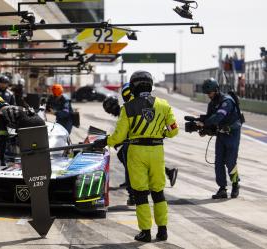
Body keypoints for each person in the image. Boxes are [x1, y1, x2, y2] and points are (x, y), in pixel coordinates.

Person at [94, 71, 179, 242]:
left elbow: (119, 136)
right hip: (157, 151)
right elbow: (174, 130)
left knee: (140, 193)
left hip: (137, 151)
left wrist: (105, 141)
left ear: (133, 87)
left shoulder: (128, 107)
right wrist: (160, 133)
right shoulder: (164, 105)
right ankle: (162, 231)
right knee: (158, 192)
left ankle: (145, 233)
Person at [199, 78, 242, 199]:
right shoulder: (212, 103)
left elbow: (219, 116)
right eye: (207, 93)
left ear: (216, 90)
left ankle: (235, 184)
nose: (208, 95)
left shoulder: (227, 101)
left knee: (230, 162)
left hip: (232, 134)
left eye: (210, 93)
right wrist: (203, 129)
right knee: (218, 162)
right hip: (221, 134)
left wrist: (205, 123)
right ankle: (222, 188)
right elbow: (210, 119)